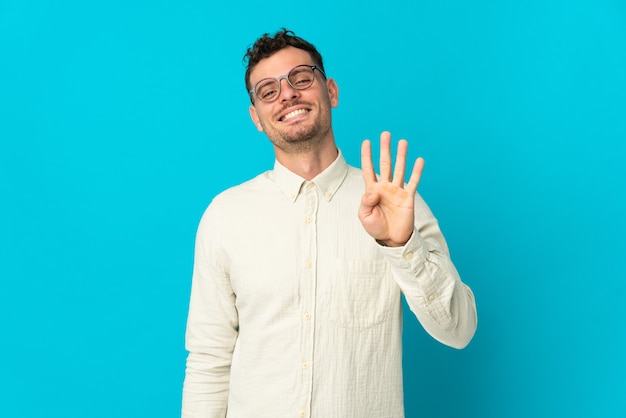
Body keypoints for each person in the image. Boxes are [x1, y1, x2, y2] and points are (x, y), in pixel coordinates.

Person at [182, 28, 477, 418]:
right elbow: (209, 359)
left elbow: (459, 330)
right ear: (256, 117)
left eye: (301, 78)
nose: (287, 94)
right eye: (268, 91)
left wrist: (402, 246)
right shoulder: (226, 214)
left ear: (331, 91)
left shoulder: (394, 202)